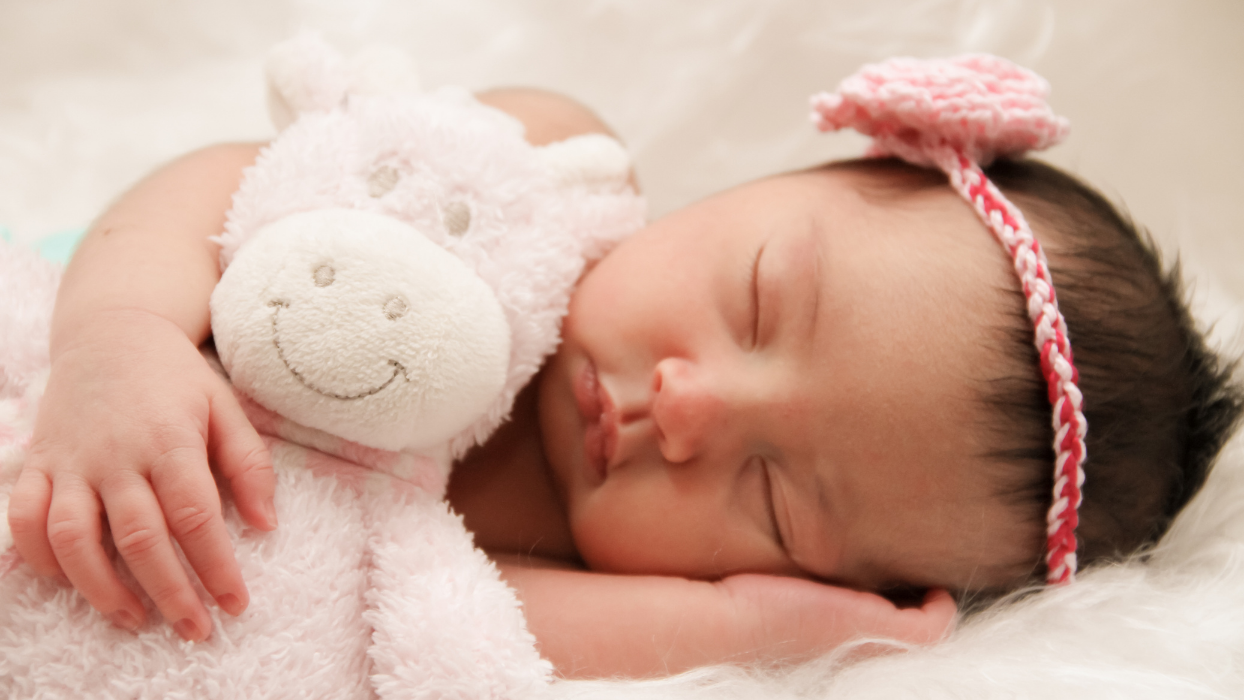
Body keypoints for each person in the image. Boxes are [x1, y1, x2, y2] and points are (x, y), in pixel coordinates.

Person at [6, 58, 1241, 679]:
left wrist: (753, 628)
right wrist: (120, 338)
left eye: (772, 495)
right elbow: (233, 181)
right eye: (759, 300)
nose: (687, 409)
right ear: (783, 178)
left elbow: (456, 624)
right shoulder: (546, 173)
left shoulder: (581, 555)